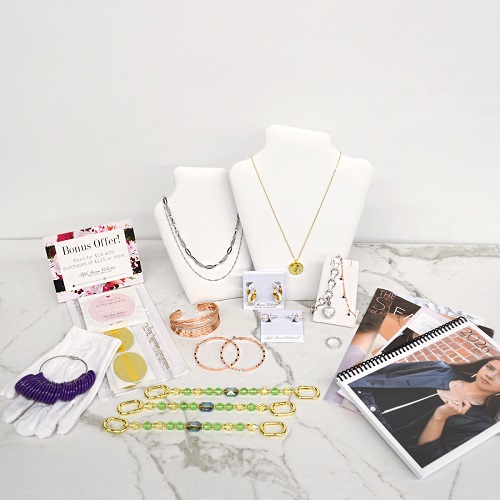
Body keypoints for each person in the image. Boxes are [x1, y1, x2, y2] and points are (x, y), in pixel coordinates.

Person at [350, 356, 500, 468]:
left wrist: (440, 417)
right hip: (354, 398)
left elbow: (429, 458)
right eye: (490, 367)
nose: (490, 375)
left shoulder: (480, 423)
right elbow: (385, 371)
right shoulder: (440, 369)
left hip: (376, 439)